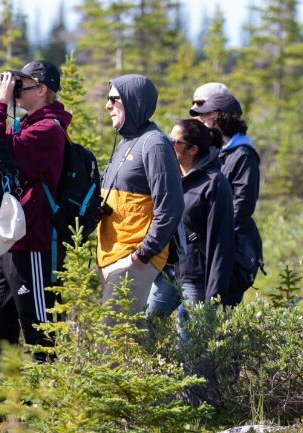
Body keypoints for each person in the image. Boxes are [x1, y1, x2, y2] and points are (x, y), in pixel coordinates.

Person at [0, 60, 70, 379]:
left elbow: (1, 150)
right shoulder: (29, 124)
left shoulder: (49, 129)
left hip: (34, 240)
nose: (16, 89)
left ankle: (42, 403)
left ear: (42, 90)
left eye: (23, 85)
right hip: (9, 237)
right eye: (14, 84)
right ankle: (4, 395)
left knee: (37, 327)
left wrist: (0, 104)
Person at [97, 74, 184, 324]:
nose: (108, 105)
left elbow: (170, 206)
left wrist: (142, 255)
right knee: (124, 342)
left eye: (114, 99)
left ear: (133, 101)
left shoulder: (154, 143)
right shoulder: (127, 142)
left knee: (112, 345)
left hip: (133, 258)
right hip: (114, 255)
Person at [146, 119, 235, 317]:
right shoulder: (170, 175)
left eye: (173, 141)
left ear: (192, 149)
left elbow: (220, 242)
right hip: (168, 271)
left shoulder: (214, 183)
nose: (167, 144)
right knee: (147, 325)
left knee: (192, 343)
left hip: (196, 278)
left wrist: (215, 292)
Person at [190, 93, 263, 305]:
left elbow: (243, 205)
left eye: (206, 116)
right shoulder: (219, 151)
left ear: (221, 118)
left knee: (219, 316)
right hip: (213, 246)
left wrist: (219, 238)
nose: (201, 121)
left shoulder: (243, 154)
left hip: (230, 250)